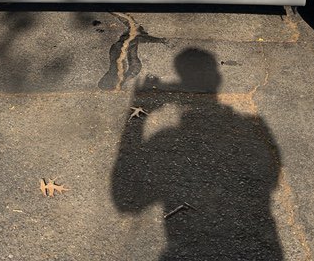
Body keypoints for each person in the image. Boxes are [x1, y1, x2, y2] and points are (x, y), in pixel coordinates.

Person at [110, 48, 283, 260]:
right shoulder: (251, 125)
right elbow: (271, 178)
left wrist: (136, 117)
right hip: (261, 247)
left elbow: (125, 201)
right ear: (218, 78)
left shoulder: (166, 139)